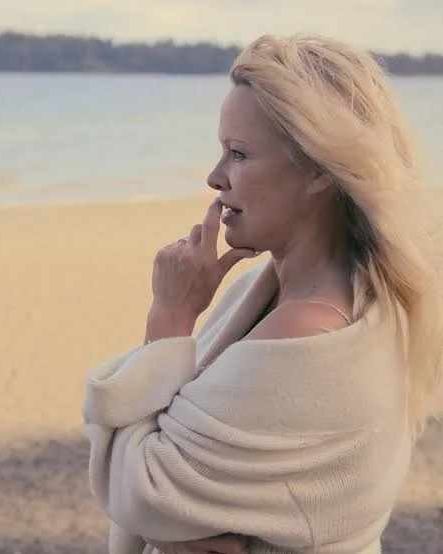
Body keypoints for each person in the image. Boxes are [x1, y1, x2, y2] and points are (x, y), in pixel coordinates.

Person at [82, 34, 443, 554]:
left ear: (317, 169)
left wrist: (170, 316)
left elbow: (139, 492)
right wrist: (171, 529)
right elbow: (163, 489)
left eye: (239, 154)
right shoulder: (343, 291)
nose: (215, 178)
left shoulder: (307, 332)